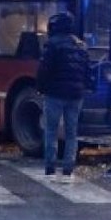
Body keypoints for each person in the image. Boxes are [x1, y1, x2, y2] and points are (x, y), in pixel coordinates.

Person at [37, 11, 90, 181]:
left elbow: (44, 69)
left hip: (55, 94)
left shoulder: (52, 45)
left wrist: (41, 88)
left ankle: (50, 168)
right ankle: (68, 170)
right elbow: (87, 72)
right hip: (76, 96)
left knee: (51, 130)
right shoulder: (82, 46)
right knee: (71, 133)